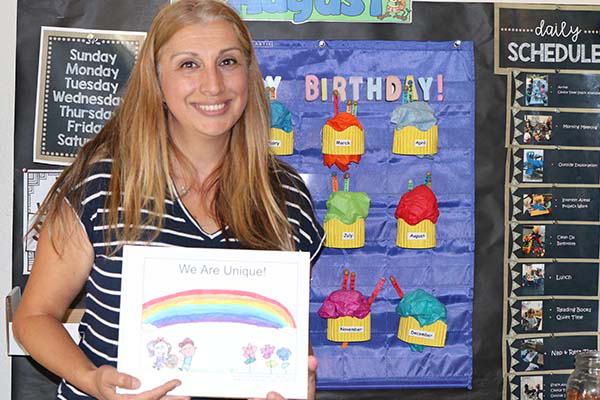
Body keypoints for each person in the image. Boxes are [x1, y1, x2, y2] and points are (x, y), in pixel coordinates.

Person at [13, 0, 324, 399]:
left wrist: (298, 381)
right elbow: (35, 317)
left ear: (248, 73)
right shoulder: (101, 182)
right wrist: (89, 379)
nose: (213, 85)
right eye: (188, 65)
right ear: (157, 82)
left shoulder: (285, 196)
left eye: (227, 62)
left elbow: (285, 329)